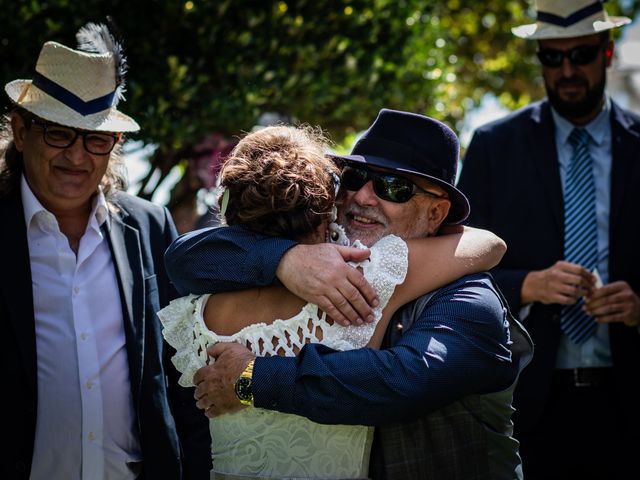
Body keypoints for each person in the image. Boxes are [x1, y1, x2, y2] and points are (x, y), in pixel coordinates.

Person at [165, 109, 534, 479]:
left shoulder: (470, 298)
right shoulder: (313, 267)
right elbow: (183, 257)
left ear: (437, 212)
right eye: (353, 178)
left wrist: (250, 378)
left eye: (392, 187)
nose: (363, 197)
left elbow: (404, 381)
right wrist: (284, 259)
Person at [0, 23, 210, 479]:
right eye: (59, 133)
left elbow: (182, 372)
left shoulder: (149, 226)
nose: (77, 157)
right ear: (20, 131)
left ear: (115, 144)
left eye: (95, 139)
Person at [456, 1, 640, 478]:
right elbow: (452, 270)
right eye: (552, 58)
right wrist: (525, 286)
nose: (567, 70)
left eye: (580, 54)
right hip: (526, 404)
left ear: (607, 53)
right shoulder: (495, 147)